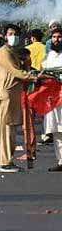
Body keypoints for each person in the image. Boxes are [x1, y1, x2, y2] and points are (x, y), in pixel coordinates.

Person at [0, 24, 37, 173]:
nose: (13, 36)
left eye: (16, 33)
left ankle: (8, 161)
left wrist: (28, 65)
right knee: (4, 130)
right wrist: (34, 77)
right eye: (10, 33)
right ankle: (3, 163)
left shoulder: (14, 52)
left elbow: (24, 70)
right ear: (5, 36)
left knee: (11, 130)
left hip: (13, 95)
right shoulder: (3, 52)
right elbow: (16, 72)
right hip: (5, 95)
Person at [42, 28, 62, 172]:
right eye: (54, 37)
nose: (56, 39)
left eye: (59, 37)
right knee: (56, 131)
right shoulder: (50, 56)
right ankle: (61, 161)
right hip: (53, 98)